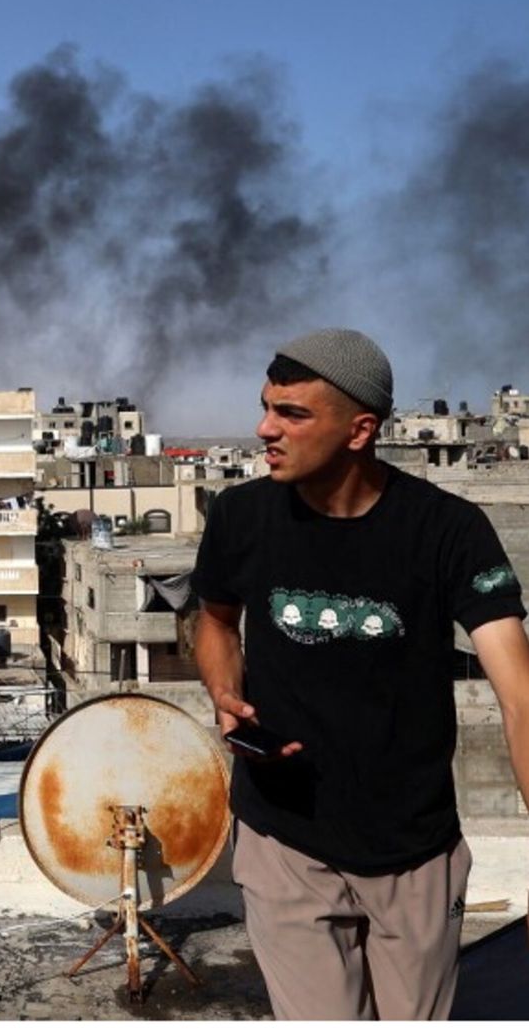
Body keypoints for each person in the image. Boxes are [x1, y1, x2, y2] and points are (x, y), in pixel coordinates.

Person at [192, 328, 529, 1020]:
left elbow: (520, 695)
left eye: (292, 414)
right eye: (266, 407)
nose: (264, 430)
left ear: (360, 429)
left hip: (413, 851)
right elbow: (217, 622)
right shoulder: (239, 516)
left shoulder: (449, 531)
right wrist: (224, 691)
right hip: (284, 839)